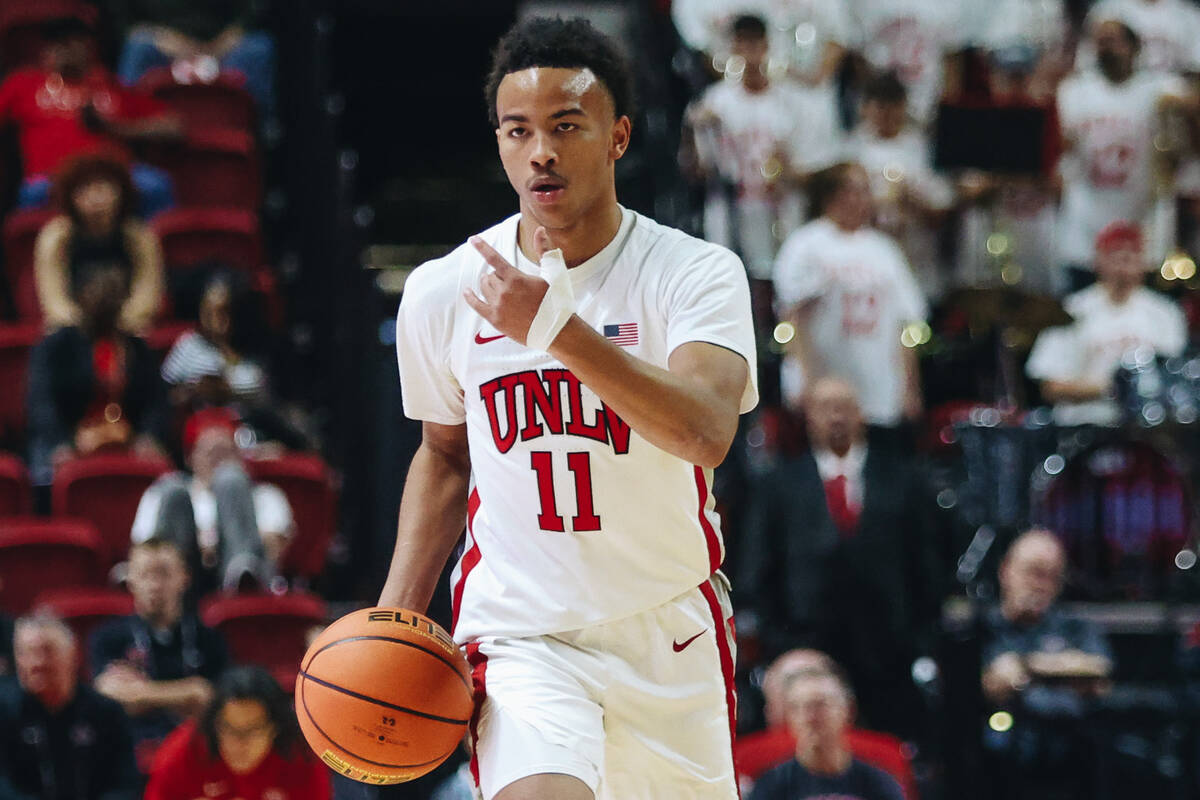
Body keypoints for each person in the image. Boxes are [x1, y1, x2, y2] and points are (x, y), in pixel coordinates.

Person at [384, 16, 757, 800]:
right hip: (524, 634)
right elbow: (445, 456)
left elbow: (705, 431)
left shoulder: (694, 274)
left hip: (668, 630)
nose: (540, 152)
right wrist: (396, 622)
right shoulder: (444, 290)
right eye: (518, 131)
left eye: (564, 127)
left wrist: (555, 330)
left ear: (618, 137)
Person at [738, 376, 944, 738]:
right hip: (806, 648)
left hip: (889, 652)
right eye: (824, 408)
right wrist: (778, 645)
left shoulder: (905, 479)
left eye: (844, 407)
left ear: (861, 414)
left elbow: (927, 563)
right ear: (807, 417)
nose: (835, 417)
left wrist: (919, 637)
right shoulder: (779, 485)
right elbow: (759, 568)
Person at [682, 14, 840, 282]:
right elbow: (697, 172)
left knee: (777, 286)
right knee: (732, 284)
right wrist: (692, 129)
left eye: (755, 45)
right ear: (732, 49)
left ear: (767, 47)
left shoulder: (791, 101)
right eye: (741, 46)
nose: (749, 55)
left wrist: (785, 168)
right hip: (732, 218)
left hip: (779, 215)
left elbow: (812, 174)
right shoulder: (715, 102)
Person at [773, 162, 927, 427]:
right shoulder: (806, 245)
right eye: (852, 190)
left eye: (865, 191)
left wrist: (910, 386)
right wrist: (804, 378)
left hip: (879, 387)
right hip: (826, 388)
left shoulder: (885, 250)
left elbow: (906, 323)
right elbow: (792, 318)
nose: (861, 198)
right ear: (830, 195)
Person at [1056, 19, 1195, 285]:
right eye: (1100, 42)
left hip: (1144, 227)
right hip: (1085, 229)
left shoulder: (1161, 88)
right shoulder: (1075, 91)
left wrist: (1182, 108)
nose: (1106, 48)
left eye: (1113, 40)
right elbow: (1059, 149)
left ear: (1134, 47)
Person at [0, 16, 182, 217]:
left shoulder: (108, 83)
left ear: (88, 48)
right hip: (51, 177)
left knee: (157, 185)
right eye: (57, 44)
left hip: (112, 175)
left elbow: (173, 126)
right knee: (31, 195)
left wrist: (114, 127)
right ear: (45, 51)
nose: (64, 50)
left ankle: (143, 247)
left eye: (71, 43)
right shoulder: (23, 84)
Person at [980, 529, 1112, 797]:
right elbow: (993, 683)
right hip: (1002, 763)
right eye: (1033, 571)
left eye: (1051, 575)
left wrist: (1026, 667)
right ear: (1005, 570)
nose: (1040, 584)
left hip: (1069, 757)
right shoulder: (984, 628)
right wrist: (1061, 672)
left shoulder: (1074, 627)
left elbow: (1096, 672)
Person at [26, 255, 169, 486]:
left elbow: (156, 402)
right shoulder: (55, 346)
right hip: (69, 437)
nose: (107, 299)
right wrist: (63, 443)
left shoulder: (138, 348)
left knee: (164, 474)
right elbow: (42, 405)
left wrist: (148, 437)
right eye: (99, 290)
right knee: (46, 470)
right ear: (80, 296)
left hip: (127, 439)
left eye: (114, 290)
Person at [1026, 221, 1187, 426]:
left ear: (1143, 261)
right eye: (1115, 252)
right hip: (1084, 427)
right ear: (1097, 259)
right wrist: (1113, 388)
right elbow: (1050, 387)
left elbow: (1176, 380)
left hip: (1147, 429)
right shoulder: (1070, 310)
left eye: (1131, 253)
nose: (1123, 259)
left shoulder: (1165, 313)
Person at [89, 538, 230, 772]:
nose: (154, 585)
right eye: (144, 575)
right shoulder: (108, 637)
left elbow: (211, 699)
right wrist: (187, 691)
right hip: (128, 756)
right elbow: (108, 695)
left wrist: (140, 694)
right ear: (131, 580)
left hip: (196, 753)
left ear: (185, 578)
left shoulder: (210, 639)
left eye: (163, 574)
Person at [130, 415, 293, 590]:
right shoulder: (163, 492)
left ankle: (240, 575)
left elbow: (274, 548)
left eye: (225, 453)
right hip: (184, 579)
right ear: (190, 457)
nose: (218, 461)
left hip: (246, 585)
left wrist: (219, 544)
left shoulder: (266, 496)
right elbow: (143, 547)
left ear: (239, 456)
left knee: (230, 480)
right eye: (210, 453)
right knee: (173, 491)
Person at [0, 612, 141, 800]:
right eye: (25, 653)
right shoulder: (4, 710)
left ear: (73, 655)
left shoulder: (106, 713)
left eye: (46, 651)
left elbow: (126, 784)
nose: (36, 663)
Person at [143, 666, 330, 800]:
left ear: (275, 729)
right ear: (214, 726)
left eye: (253, 730)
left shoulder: (301, 756)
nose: (240, 743)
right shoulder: (181, 751)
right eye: (229, 729)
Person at [843, 71, 953, 296]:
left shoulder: (923, 150)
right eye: (880, 107)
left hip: (917, 259)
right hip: (866, 263)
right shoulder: (851, 150)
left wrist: (911, 198)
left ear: (903, 106)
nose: (886, 115)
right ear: (866, 108)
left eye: (893, 106)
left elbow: (942, 211)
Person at [34, 152, 165, 335]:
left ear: (121, 192)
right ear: (71, 197)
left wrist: (121, 324)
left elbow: (147, 294)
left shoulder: (138, 237)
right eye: (85, 189)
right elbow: (54, 300)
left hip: (127, 327)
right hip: (72, 328)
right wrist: (81, 326)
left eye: (103, 188)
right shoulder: (56, 238)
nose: (96, 198)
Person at [748, 665, 905, 800]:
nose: (809, 718)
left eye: (820, 706)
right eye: (798, 708)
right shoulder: (771, 786)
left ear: (848, 711)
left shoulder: (877, 783)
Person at [111, 0, 276, 119]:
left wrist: (225, 41)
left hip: (222, 48)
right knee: (138, 46)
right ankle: (125, 126)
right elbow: (125, 22)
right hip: (166, 46)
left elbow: (254, 11)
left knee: (258, 48)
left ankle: (260, 133)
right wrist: (164, 39)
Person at [1081, 0, 1200, 75]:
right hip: (1122, 93)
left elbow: (1196, 68)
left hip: (1173, 96)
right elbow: (1087, 64)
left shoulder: (1188, 14)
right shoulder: (1107, 10)